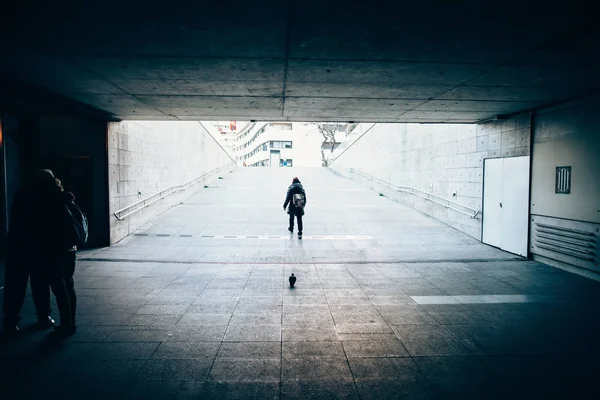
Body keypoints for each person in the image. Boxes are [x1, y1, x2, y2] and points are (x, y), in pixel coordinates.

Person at [2, 169, 78, 337]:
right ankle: (45, 317)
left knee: (16, 284)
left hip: (20, 246)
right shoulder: (56, 196)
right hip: (46, 249)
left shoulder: (22, 196)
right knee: (43, 284)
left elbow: (15, 222)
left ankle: (11, 321)